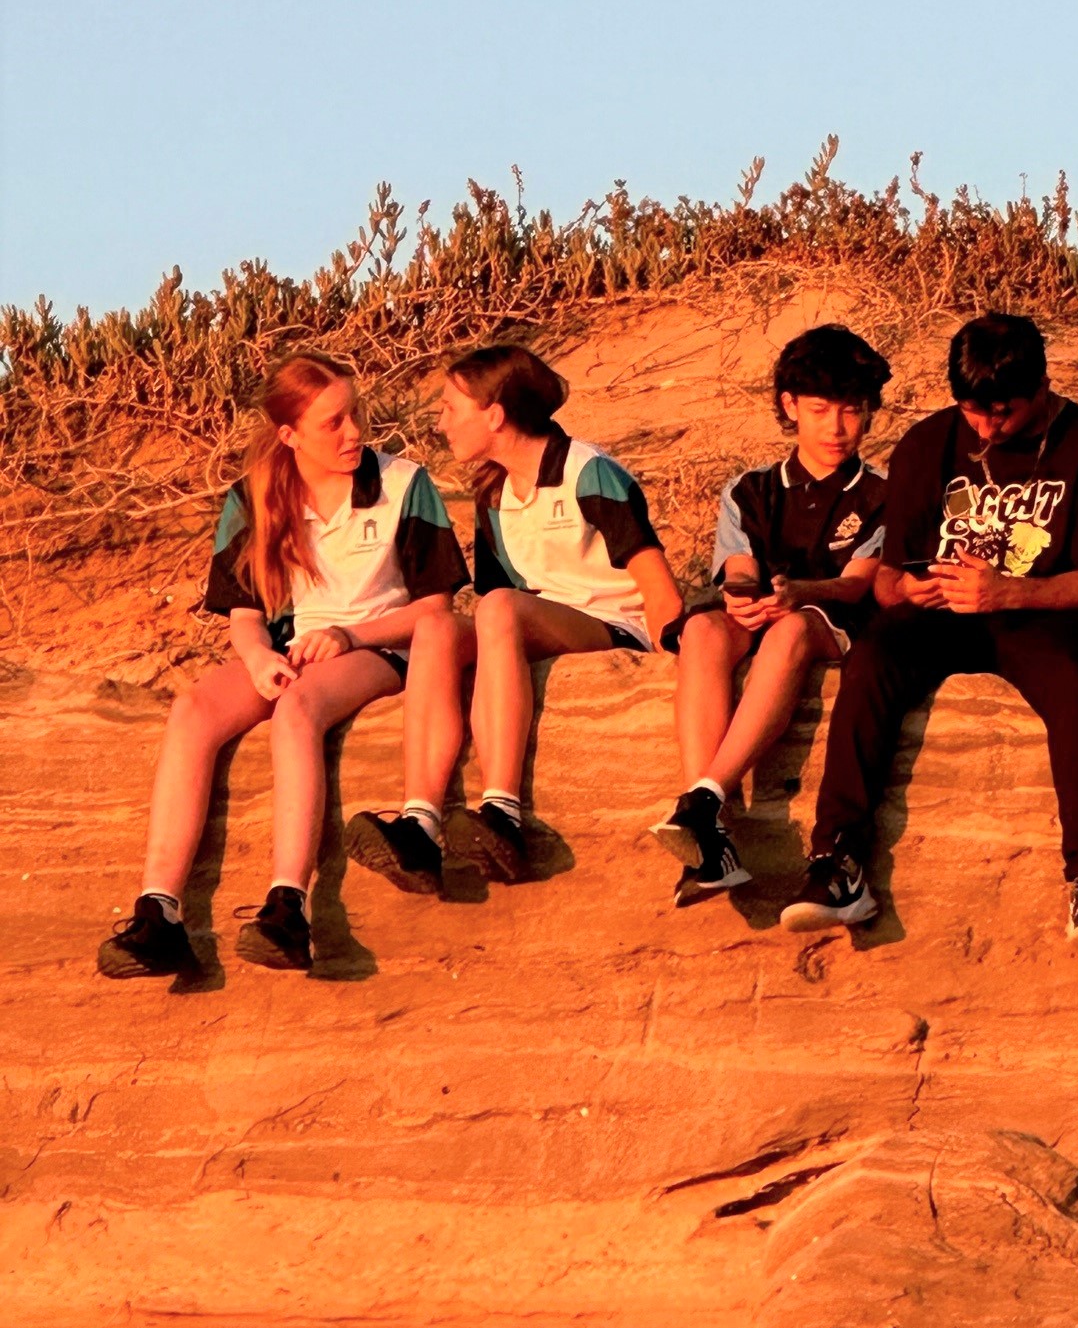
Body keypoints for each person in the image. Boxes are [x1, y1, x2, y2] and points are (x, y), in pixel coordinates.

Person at [97, 351, 469, 981]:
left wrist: (349, 635)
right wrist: (259, 657)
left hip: (382, 645)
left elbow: (435, 610)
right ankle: (159, 912)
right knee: (192, 711)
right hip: (292, 650)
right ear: (289, 434)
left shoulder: (406, 484)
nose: (353, 432)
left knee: (297, 709)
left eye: (355, 414)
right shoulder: (253, 497)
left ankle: (287, 907)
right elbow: (243, 613)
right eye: (333, 422)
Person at [779, 311, 1078, 954]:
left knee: (1070, 680)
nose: (984, 426)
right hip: (943, 615)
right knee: (874, 656)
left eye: (1001, 412)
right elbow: (889, 574)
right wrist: (904, 592)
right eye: (972, 411)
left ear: (1042, 387)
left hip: (1048, 618)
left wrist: (1014, 591)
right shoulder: (927, 444)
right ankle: (837, 862)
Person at [344, 343, 683, 892]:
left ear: (495, 416)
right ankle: (419, 825)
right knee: (434, 627)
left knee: (495, 607)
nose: (440, 423)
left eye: (452, 408)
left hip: (614, 626)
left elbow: (657, 586)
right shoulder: (493, 491)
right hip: (532, 624)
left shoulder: (589, 472)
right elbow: (496, 613)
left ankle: (503, 813)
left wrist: (676, 659)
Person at [650, 324, 891, 905]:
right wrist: (740, 594)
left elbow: (855, 586)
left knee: (790, 626)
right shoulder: (750, 488)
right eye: (819, 410)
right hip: (767, 610)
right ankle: (713, 843)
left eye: (853, 412)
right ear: (789, 407)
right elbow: (737, 567)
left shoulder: (883, 493)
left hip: (830, 621)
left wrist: (795, 592)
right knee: (704, 628)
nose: (837, 428)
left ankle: (706, 798)